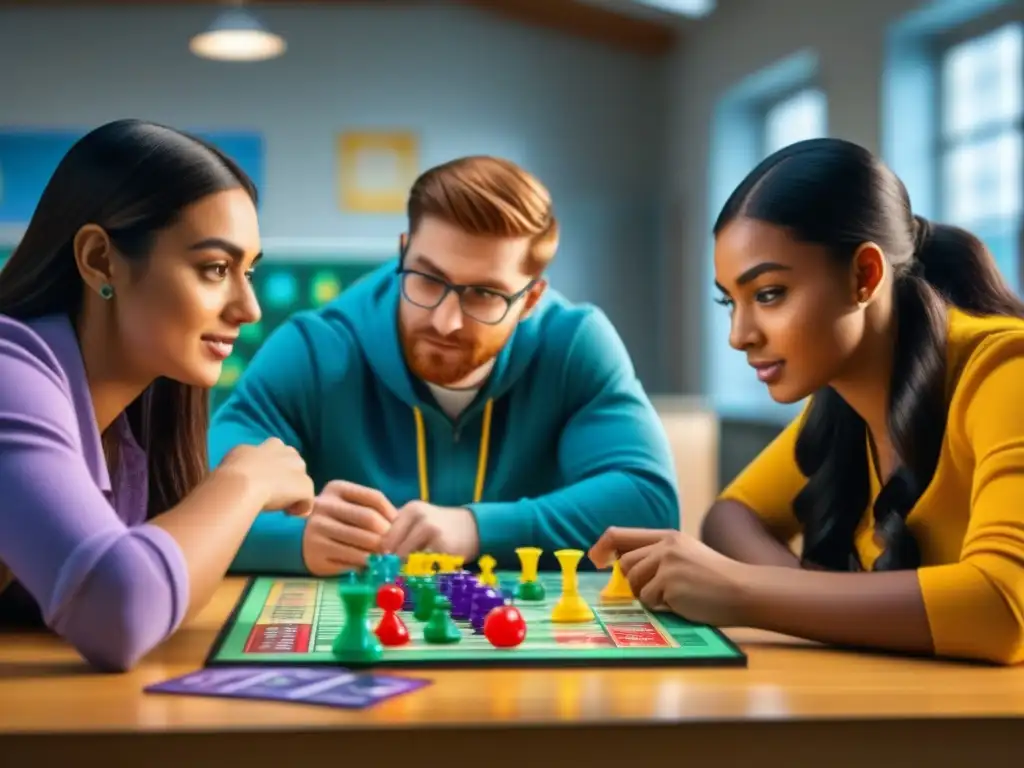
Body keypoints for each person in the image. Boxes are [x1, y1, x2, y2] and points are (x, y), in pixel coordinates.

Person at [589, 137, 1024, 666]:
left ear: (865, 275)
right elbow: (732, 516)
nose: (739, 334)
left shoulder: (1007, 372)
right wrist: (807, 597)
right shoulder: (844, 394)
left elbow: (1003, 608)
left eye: (769, 293)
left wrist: (747, 591)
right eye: (730, 300)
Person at [209, 155, 679, 575]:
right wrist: (299, 540)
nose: (445, 321)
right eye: (429, 279)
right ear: (402, 253)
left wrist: (476, 529)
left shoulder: (575, 344)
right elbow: (192, 500)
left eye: (485, 293)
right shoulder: (313, 350)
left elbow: (649, 505)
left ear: (531, 298)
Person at [0, 119, 315, 672]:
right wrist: (245, 481)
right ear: (101, 260)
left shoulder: (133, 428)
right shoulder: (8, 373)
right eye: (215, 269)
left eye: (249, 272)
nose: (249, 309)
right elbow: (118, 609)